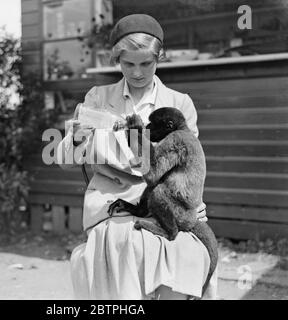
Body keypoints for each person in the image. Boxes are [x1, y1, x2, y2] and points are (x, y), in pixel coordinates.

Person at [56, 14, 218, 300]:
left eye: (146, 63)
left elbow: (190, 166)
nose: (138, 72)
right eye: (128, 63)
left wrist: (195, 205)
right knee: (127, 247)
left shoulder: (179, 104)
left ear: (159, 58)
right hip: (112, 208)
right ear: (117, 60)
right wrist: (79, 136)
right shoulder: (98, 97)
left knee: (187, 258)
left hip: (164, 206)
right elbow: (64, 159)